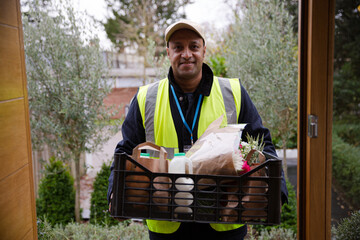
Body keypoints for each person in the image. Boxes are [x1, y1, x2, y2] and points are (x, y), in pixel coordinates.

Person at [108, 20, 288, 240]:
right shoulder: (146, 98)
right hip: (166, 223)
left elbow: (260, 145)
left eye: (193, 46)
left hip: (224, 222)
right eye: (178, 47)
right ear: (168, 53)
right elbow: (126, 150)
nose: (186, 54)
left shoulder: (233, 92)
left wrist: (276, 190)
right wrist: (114, 193)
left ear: (204, 50)